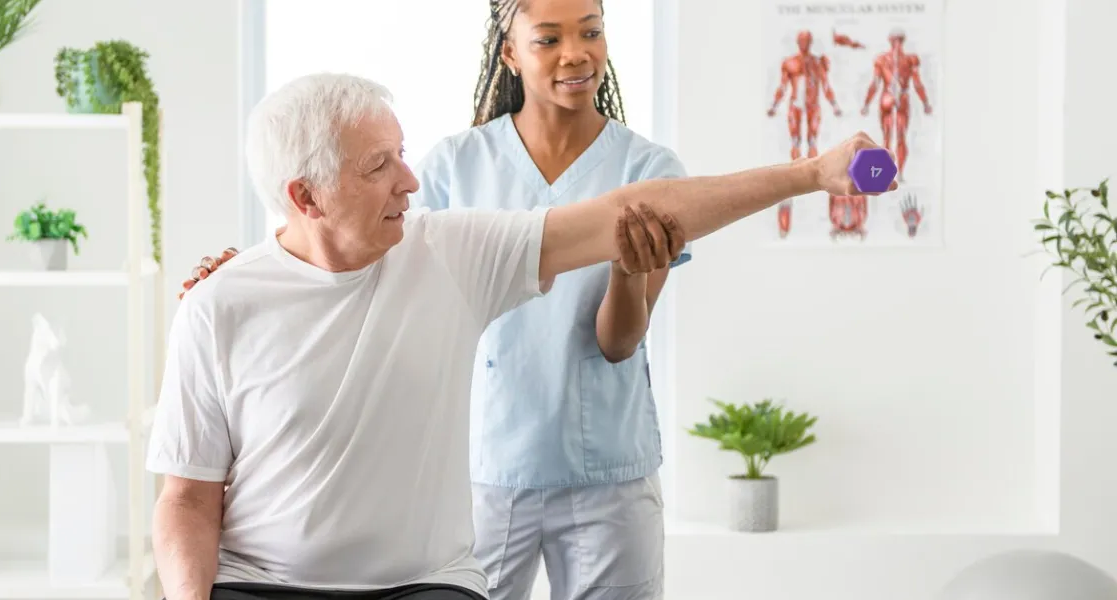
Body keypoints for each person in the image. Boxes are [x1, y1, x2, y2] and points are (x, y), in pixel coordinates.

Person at [149, 69, 893, 600]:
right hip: (262, 584)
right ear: (303, 196)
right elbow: (185, 498)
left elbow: (635, 208)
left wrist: (813, 174)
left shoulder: (447, 251)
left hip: (425, 586)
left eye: (403, 154)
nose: (410, 181)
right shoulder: (219, 305)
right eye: (380, 166)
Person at [181, 2, 689, 598]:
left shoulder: (649, 169)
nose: (575, 52)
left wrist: (629, 273)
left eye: (592, 32)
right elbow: (359, 245)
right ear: (509, 52)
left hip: (607, 462)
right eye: (548, 38)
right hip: (487, 465)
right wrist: (251, 273)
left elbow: (620, 341)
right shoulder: (452, 165)